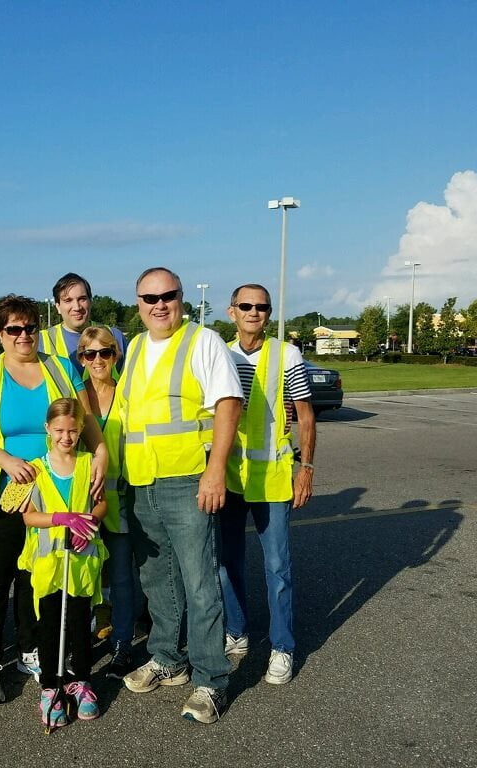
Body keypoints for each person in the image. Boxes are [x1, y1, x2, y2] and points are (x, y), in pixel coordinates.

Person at [0, 294, 108, 706]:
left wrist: (101, 453)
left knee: (34, 575)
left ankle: (30, 649)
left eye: (30, 328)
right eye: (13, 329)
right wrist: (6, 460)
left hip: (56, 488)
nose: (23, 336)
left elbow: (87, 418)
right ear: (0, 333)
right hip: (3, 493)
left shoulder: (59, 367)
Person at [116, 267, 243, 725]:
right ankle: (167, 657)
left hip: (189, 479)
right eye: (149, 298)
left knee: (200, 582)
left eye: (167, 295)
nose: (159, 304)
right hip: (142, 481)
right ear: (138, 304)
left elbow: (228, 404)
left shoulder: (202, 342)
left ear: (181, 297)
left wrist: (215, 472)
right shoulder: (133, 347)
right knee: (157, 579)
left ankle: (211, 679)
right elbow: (127, 416)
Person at [218, 283, 315, 685]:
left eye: (261, 307)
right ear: (232, 311)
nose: (253, 312)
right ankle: (236, 633)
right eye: (246, 306)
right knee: (226, 564)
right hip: (229, 476)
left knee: (278, 567)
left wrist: (305, 467)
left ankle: (282, 647)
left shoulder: (286, 354)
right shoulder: (219, 353)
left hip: (273, 477)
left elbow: (306, 415)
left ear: (269, 313)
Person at [18, 398, 107, 728]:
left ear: (81, 429)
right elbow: (28, 518)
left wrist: (89, 524)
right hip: (48, 562)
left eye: (72, 430)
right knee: (50, 625)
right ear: (47, 429)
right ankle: (49, 688)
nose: (66, 437)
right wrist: (60, 518)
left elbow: (101, 506)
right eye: (59, 430)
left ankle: (81, 681)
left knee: (81, 623)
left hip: (82, 561)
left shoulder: (88, 463)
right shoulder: (36, 469)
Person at [77, 325, 142, 679]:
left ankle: (121, 645)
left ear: (116, 355)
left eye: (105, 352)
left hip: (119, 500)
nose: (98, 360)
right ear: (81, 358)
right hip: (81, 503)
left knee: (120, 577)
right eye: (90, 353)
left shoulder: (128, 394)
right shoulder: (75, 395)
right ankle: (79, 644)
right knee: (83, 577)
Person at [38, 272, 128, 372]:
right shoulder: (41, 342)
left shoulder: (115, 336)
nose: (77, 307)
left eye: (82, 299)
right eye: (68, 300)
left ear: (91, 301)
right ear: (58, 307)